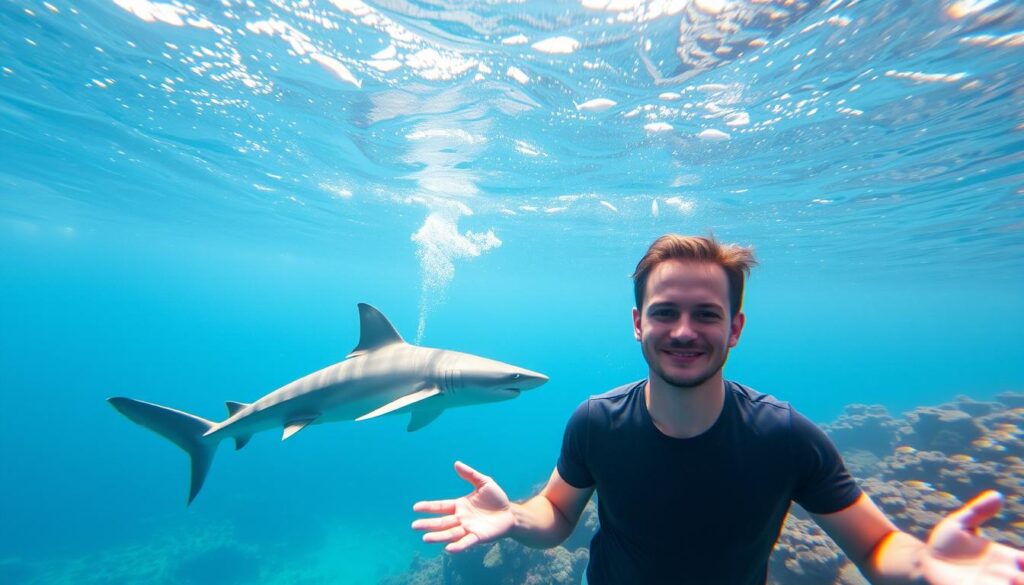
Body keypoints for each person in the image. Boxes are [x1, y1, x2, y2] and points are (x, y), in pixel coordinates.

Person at [411, 234, 1024, 584]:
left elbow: (876, 548)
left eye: (706, 314)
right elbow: (557, 516)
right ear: (637, 324)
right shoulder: (596, 422)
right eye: (664, 312)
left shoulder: (785, 437)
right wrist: (516, 517)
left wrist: (925, 565)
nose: (683, 330)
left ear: (735, 328)